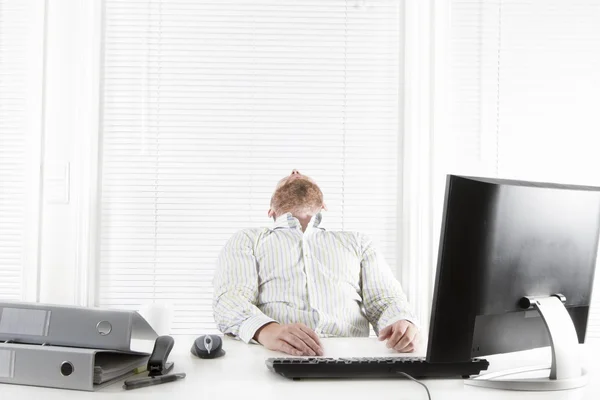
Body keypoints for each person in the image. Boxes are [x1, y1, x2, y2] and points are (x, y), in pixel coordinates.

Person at [212, 170, 419, 357]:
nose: (295, 171)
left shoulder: (358, 242)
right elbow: (229, 300)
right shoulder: (248, 239)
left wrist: (401, 323)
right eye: (286, 178)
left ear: (323, 206)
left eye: (303, 175)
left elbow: (386, 301)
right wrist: (268, 330)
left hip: (352, 360)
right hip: (274, 357)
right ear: (271, 212)